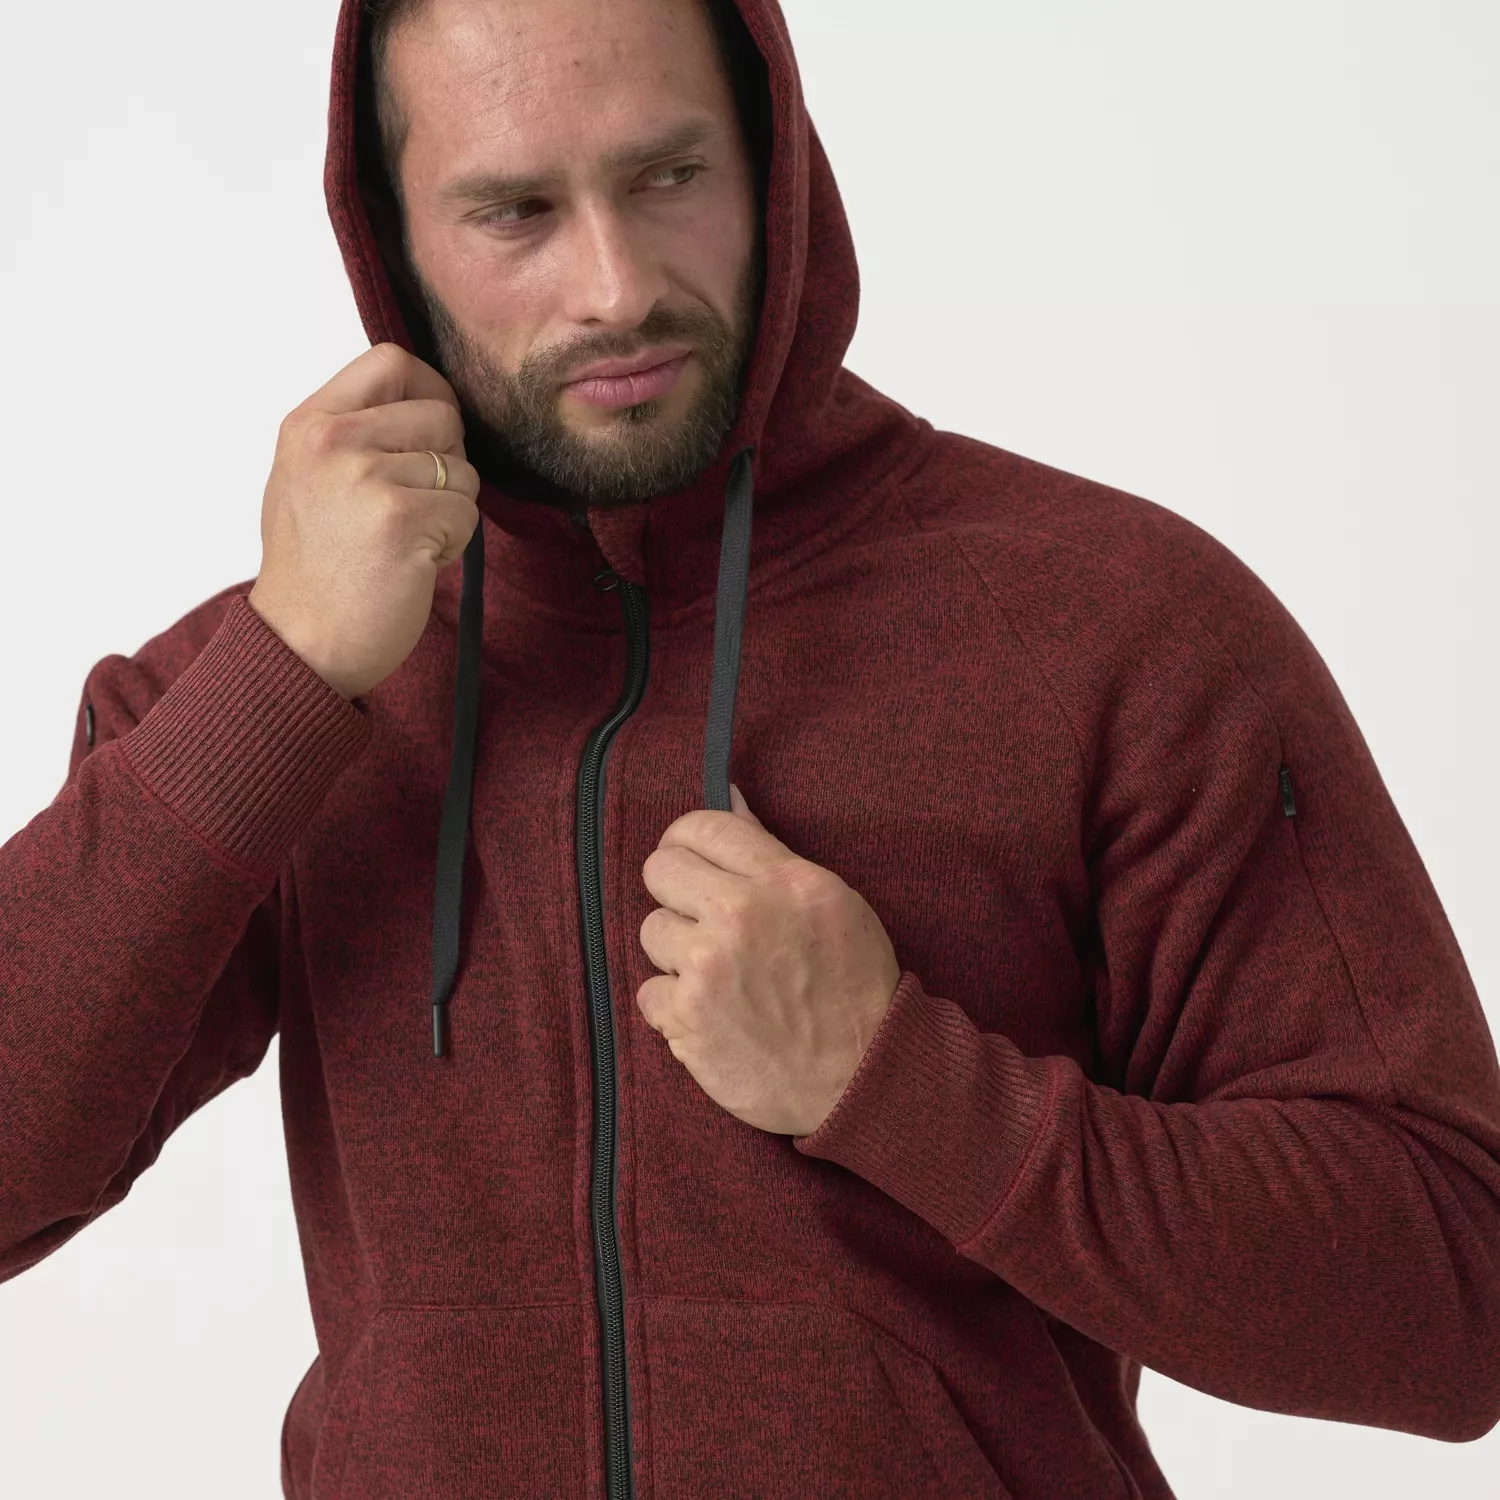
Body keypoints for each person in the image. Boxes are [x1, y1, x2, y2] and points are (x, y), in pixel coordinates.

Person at [2, 0, 1497, 1494]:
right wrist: (282, 679)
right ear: (392, 241)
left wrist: (903, 1086)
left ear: (774, 159)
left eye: (669, 176)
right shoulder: (272, 691)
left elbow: (1454, 1293)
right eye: (516, 212)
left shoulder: (1113, 628)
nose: (616, 286)